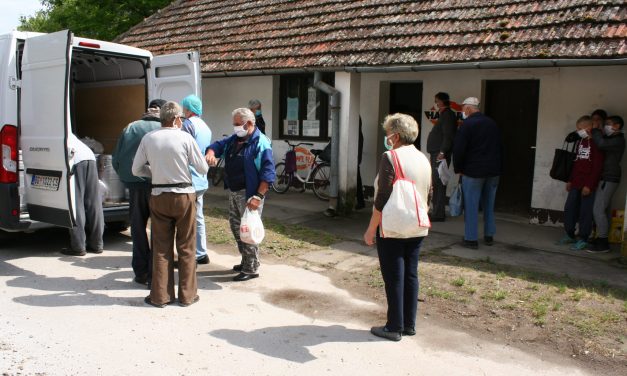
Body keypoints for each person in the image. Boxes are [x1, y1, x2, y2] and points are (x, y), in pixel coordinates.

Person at [132, 101, 208, 308]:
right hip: (183, 195)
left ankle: (160, 296)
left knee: (161, 248)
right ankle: (187, 295)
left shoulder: (149, 138)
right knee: (186, 247)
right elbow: (202, 168)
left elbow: (136, 169)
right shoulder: (185, 138)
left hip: (158, 194)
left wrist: (155, 172)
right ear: (176, 119)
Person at [363, 113, 431, 341]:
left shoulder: (390, 157)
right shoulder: (423, 158)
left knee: (394, 276)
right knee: (411, 274)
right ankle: (409, 324)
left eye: (388, 134)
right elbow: (429, 192)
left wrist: (371, 228)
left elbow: (382, 196)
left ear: (397, 135)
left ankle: (393, 327)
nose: (387, 138)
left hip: (393, 225)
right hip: (417, 224)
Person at [205, 108, 275, 281]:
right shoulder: (235, 139)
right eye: (234, 124)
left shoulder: (261, 143)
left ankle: (251, 268)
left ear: (249, 124)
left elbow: (268, 173)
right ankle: (246, 260)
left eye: (238, 124)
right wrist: (211, 152)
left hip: (250, 194)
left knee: (248, 231)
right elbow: (218, 145)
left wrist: (258, 197)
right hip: (234, 191)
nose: (235, 128)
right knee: (236, 227)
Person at [112, 99, 165, 285]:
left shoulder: (130, 128)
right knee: (159, 230)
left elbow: (116, 159)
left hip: (135, 186)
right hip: (159, 186)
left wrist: (126, 178)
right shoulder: (166, 129)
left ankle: (141, 272)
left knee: (138, 230)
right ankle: (156, 274)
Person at [452, 97, 502, 249]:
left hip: (473, 171)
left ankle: (471, 239)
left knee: (471, 205)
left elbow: (459, 149)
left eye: (463, 109)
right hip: (493, 171)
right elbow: (500, 146)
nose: (462, 112)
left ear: (468, 109)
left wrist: (458, 168)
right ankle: (489, 236)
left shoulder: (467, 125)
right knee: (489, 204)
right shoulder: (492, 123)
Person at [556, 116, 604, 251]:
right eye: (577, 130)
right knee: (570, 207)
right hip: (576, 182)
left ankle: (583, 238)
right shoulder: (580, 142)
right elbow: (575, 163)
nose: (579, 132)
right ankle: (569, 234)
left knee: (585, 212)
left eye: (580, 129)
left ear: (589, 127)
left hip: (588, 185)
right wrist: (570, 180)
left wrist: (589, 185)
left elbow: (597, 167)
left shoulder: (596, 143)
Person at [180, 94, 212, 265]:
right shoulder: (205, 126)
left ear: (188, 109)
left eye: (184, 107)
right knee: (198, 217)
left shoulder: (187, 125)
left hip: (189, 178)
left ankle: (188, 256)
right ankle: (201, 252)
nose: (183, 111)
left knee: (186, 219)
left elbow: (183, 150)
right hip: (202, 177)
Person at [61, 133, 105, 256]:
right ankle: (97, 244)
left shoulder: (50, 132)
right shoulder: (67, 132)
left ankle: (78, 246)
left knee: (76, 202)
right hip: (89, 157)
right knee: (94, 202)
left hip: (74, 159)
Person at [588, 115, 624, 253]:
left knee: (598, 209)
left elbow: (601, 144)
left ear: (617, 126)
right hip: (606, 177)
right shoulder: (612, 139)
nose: (606, 126)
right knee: (602, 209)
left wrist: (596, 130)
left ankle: (603, 242)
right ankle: (601, 238)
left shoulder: (618, 140)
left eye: (608, 124)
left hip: (609, 177)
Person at [426, 92, 457, 222]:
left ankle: (438, 213)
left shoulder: (448, 115)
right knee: (436, 182)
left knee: (439, 182)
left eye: (437, 101)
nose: (436, 103)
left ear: (442, 101)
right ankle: (437, 211)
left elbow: (448, 135)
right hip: (437, 152)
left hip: (440, 154)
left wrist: (443, 151)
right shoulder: (445, 114)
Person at [355, 117, 365, 210]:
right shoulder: (359, 134)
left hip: (354, 160)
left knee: (357, 181)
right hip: (356, 160)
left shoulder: (357, 135)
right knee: (357, 180)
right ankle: (360, 201)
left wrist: (356, 160)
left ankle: (360, 201)